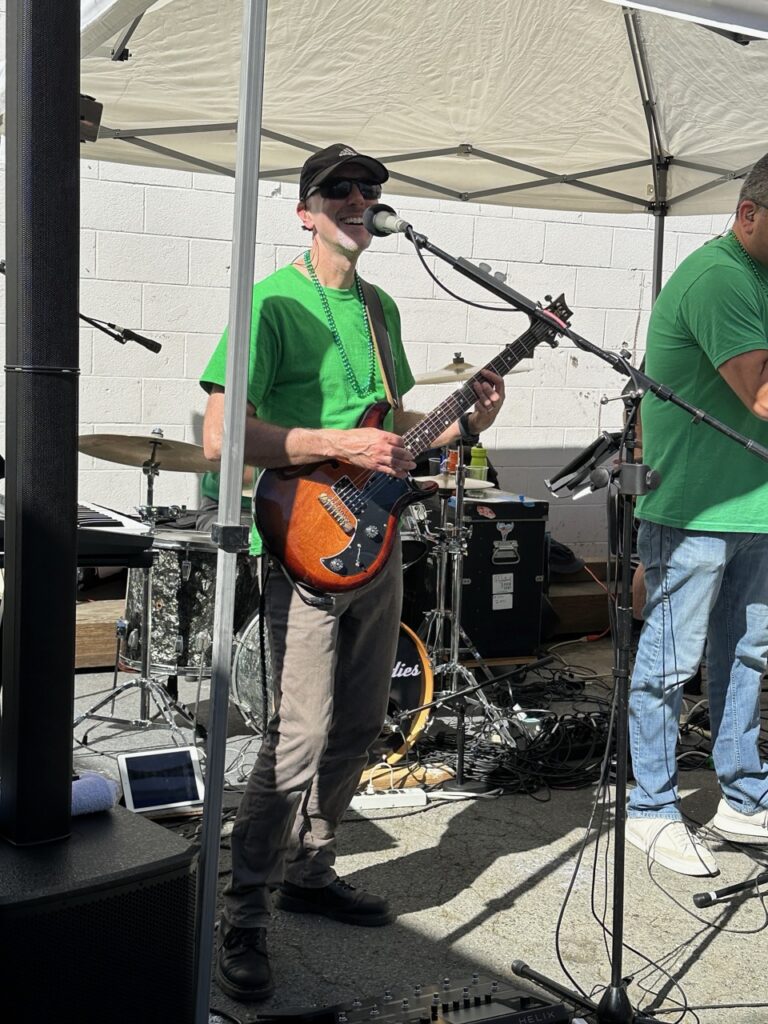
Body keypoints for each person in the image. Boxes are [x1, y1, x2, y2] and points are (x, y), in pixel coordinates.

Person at [200, 143, 505, 1001]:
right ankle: (246, 914)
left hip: (375, 542)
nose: (358, 198)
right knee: (295, 736)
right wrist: (332, 442)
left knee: (363, 720)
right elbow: (224, 437)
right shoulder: (268, 304)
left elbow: (396, 430)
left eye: (368, 188)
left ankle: (311, 865)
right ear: (304, 211)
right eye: (338, 189)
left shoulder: (380, 309)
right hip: (301, 537)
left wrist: (468, 420)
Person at [626, 153, 768, 877]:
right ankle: (649, 807)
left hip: (755, 508)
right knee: (670, 664)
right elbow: (764, 394)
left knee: (746, 657)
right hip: (696, 507)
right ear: (749, 215)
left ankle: (743, 794)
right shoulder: (722, 278)